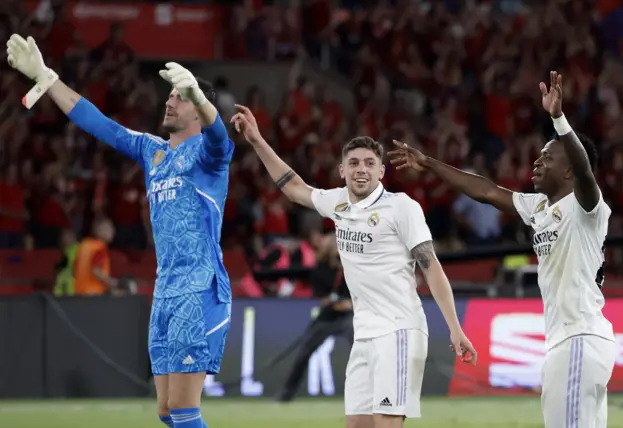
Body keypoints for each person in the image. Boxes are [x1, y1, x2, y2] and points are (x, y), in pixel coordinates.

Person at [7, 34, 234, 428]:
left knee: (184, 410)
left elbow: (221, 140)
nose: (169, 101)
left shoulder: (209, 157)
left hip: (199, 290)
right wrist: (47, 78)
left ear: (198, 108)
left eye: (178, 98)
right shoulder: (154, 151)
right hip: (165, 290)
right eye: (172, 95)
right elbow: (100, 124)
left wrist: (197, 93)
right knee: (165, 411)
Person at [389, 71, 616, 428]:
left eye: (548, 157)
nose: (537, 162)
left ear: (570, 170)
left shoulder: (586, 207)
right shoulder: (539, 208)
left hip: (579, 340)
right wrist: (429, 163)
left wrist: (558, 119)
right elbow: (487, 191)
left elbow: (587, 172)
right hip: (569, 343)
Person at [231, 105, 477, 428]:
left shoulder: (401, 207)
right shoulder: (338, 204)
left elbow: (432, 269)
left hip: (399, 331)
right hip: (364, 335)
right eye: (354, 163)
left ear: (381, 172)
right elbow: (293, 189)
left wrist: (455, 328)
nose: (361, 169)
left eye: (370, 163)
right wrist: (257, 140)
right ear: (342, 171)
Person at [276, 230, 354, 403]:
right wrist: (340, 303)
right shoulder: (320, 270)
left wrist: (348, 304)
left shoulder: (353, 268)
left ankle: (368, 392)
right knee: (304, 353)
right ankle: (286, 394)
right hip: (326, 318)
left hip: (348, 317)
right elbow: (323, 299)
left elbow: (358, 297)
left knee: (361, 349)